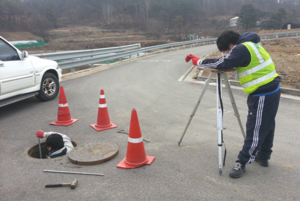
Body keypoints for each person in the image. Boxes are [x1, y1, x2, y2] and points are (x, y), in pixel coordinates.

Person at [185, 30, 281, 178]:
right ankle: (263, 156)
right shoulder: (250, 44)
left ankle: (242, 162)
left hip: (263, 91)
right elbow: (227, 60)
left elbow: (224, 63)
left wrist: (199, 62)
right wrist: (205, 60)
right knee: (266, 124)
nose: (228, 53)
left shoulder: (241, 48)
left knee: (255, 128)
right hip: (270, 88)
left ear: (231, 45)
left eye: (227, 50)